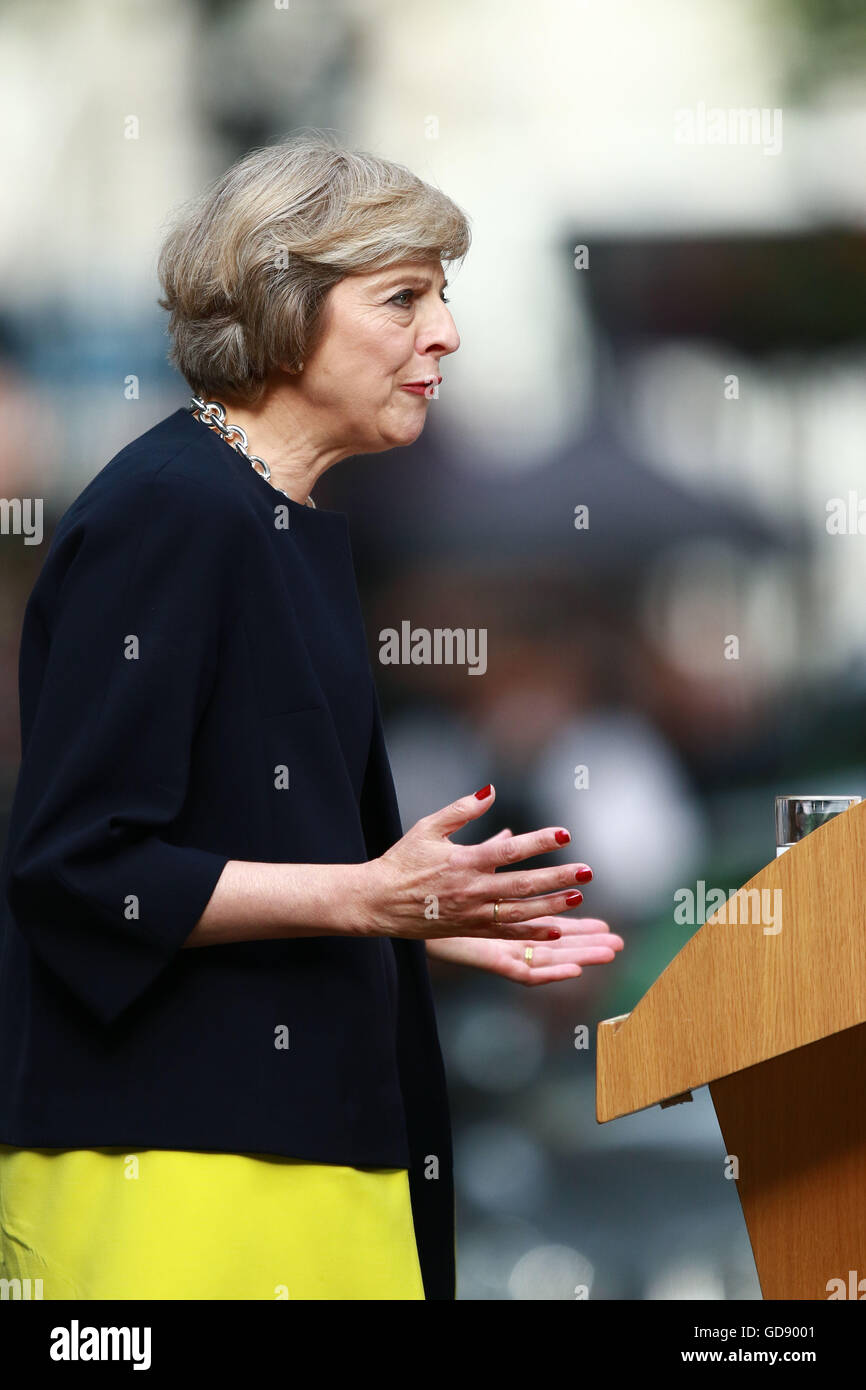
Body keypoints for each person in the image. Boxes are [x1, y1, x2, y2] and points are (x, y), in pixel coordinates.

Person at [0, 133, 623, 1301]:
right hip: (183, 1171)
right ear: (285, 305)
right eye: (402, 297)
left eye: (444, 297)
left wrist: (413, 922)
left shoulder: (259, 517)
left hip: (301, 1150)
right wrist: (363, 897)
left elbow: (221, 845)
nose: (444, 334)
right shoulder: (177, 514)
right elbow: (80, 867)